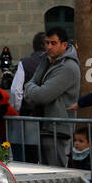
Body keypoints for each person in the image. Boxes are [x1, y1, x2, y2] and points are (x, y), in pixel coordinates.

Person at [22, 26, 81, 167]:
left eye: (53, 43)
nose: (49, 47)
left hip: (57, 130)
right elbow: (29, 87)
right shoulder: (47, 61)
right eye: (47, 43)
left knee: (57, 173)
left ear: (64, 45)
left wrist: (31, 89)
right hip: (45, 127)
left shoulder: (68, 67)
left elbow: (42, 95)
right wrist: (32, 89)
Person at [8, 31, 46, 162]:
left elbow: (15, 90)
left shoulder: (25, 63)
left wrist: (18, 108)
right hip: (48, 114)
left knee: (29, 153)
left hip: (28, 113)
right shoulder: (55, 62)